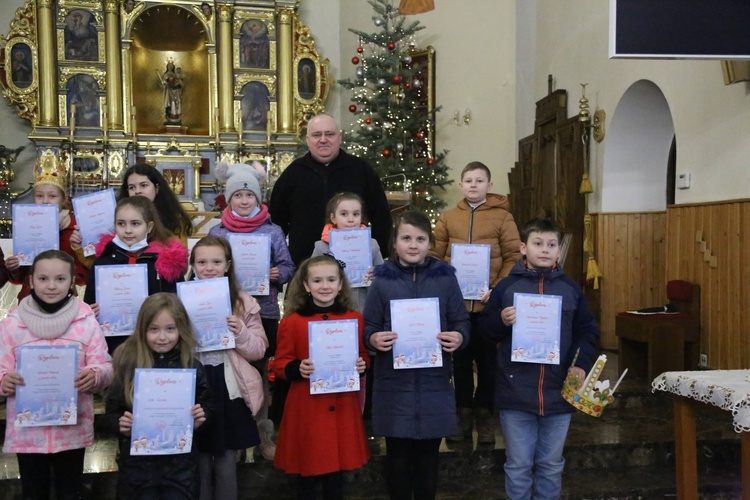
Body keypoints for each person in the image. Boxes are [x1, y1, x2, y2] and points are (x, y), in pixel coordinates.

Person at [478, 217, 600, 499]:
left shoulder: (571, 290)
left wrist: (580, 365)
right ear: (523, 247)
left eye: (551, 244)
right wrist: (500, 320)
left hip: (559, 394)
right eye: (537, 243)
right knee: (519, 465)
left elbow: (588, 332)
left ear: (559, 251)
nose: (544, 249)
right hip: (515, 393)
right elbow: (484, 333)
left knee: (551, 465)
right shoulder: (506, 288)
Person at [363, 210, 470, 499]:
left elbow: (461, 322)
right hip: (393, 386)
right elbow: (369, 326)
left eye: (420, 239)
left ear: (430, 243)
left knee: (428, 461)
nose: (413, 245)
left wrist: (458, 337)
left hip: (434, 384)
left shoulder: (445, 279)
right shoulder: (382, 281)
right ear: (394, 243)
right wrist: (373, 338)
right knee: (397, 460)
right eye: (406, 238)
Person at [0, 250, 113, 499]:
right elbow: (1, 368)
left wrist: (94, 375)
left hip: (71, 431)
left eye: (60, 279)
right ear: (30, 281)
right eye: (43, 279)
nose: (51, 286)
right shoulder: (11, 325)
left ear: (72, 282)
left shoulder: (86, 323)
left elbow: (105, 366)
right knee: (33, 493)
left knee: (69, 492)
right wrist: (3, 380)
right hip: (28, 433)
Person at [429, 161, 521, 444]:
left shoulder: (503, 218)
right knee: (459, 361)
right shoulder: (448, 217)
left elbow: (513, 257)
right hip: (456, 308)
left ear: (489, 186)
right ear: (461, 185)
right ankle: (462, 411)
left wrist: (496, 288)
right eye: (468, 180)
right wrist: (445, 286)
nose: (473, 185)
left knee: (488, 361)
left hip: (487, 305)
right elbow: (434, 254)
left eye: (479, 181)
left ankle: (484, 414)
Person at [209, 161, 294, 451]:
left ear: (258, 199)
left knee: (258, 374)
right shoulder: (218, 232)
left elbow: (288, 265)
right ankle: (233, 436)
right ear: (228, 199)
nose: (244, 201)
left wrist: (277, 273)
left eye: (249, 196)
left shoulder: (272, 231)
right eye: (238, 196)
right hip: (227, 312)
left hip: (264, 311)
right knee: (230, 375)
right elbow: (206, 266)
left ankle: (261, 433)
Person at [273, 254, 370, 499]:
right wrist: (297, 368)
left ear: (340, 284)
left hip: (342, 405)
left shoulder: (354, 319)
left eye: (330, 280)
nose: (324, 286)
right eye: (317, 281)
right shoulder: (291, 323)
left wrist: (362, 365)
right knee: (307, 472)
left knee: (337, 476)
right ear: (306, 286)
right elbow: (280, 364)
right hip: (307, 408)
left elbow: (363, 356)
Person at [104, 293, 212, 500]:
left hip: (181, 470)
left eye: (170, 329)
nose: (162, 337)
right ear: (142, 329)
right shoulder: (128, 365)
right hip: (137, 471)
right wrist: (120, 424)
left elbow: (208, 405)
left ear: (181, 329)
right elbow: (112, 411)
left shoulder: (191, 366)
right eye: (154, 329)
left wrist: (202, 417)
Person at [188, 236, 269, 499]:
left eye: (216, 261)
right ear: (192, 264)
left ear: (228, 265)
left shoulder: (242, 302)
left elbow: (259, 349)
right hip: (194, 385)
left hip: (229, 385)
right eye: (201, 262)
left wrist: (241, 332)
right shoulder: (179, 300)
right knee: (197, 459)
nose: (209, 267)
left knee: (225, 459)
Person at [268, 113, 392, 267]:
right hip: (304, 266)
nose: (323, 139)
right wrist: (277, 261)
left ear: (339, 138)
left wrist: (379, 257)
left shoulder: (360, 170)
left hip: (356, 267)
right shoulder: (293, 173)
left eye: (329, 134)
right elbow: (276, 222)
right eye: (316, 135)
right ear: (307, 140)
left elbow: (381, 218)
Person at [83, 196, 189, 354]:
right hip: (113, 345)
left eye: (135, 223)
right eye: (121, 224)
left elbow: (178, 306)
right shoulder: (102, 263)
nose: (127, 230)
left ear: (150, 227)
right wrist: (91, 311)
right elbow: (88, 305)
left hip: (155, 345)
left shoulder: (165, 263)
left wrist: (156, 303)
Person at [6, 158, 89, 302]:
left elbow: (86, 275)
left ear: (63, 199)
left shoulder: (75, 228)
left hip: (65, 300)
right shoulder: (26, 227)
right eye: (39, 196)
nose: (45, 201)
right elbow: (20, 277)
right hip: (29, 300)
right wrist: (14, 268)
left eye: (52, 196)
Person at [311, 191, 384, 313]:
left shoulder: (372, 245)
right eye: (344, 214)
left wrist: (376, 274)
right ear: (333, 218)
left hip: (364, 308)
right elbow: (310, 277)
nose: (351, 219)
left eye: (356, 214)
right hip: (331, 310)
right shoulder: (321, 247)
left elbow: (383, 279)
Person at [118, 163, 194, 240]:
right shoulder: (120, 216)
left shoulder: (173, 219)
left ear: (156, 188)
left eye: (143, 185)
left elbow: (179, 249)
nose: (137, 191)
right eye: (132, 187)